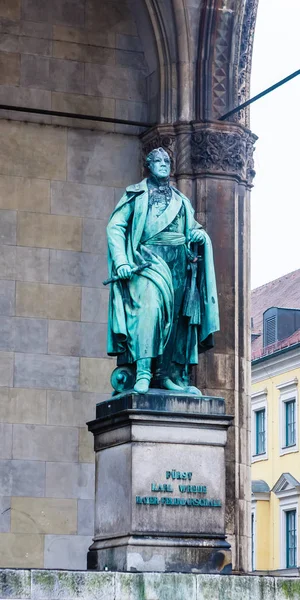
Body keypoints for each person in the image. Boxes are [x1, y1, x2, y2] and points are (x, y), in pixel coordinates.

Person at [106, 147, 219, 394]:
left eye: (167, 161)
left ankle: (166, 375)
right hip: (145, 260)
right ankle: (143, 371)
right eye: (158, 161)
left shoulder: (181, 200)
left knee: (175, 321)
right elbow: (115, 227)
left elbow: (192, 228)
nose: (163, 164)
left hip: (177, 262)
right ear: (149, 165)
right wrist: (122, 261)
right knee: (150, 310)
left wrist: (199, 234)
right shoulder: (135, 195)